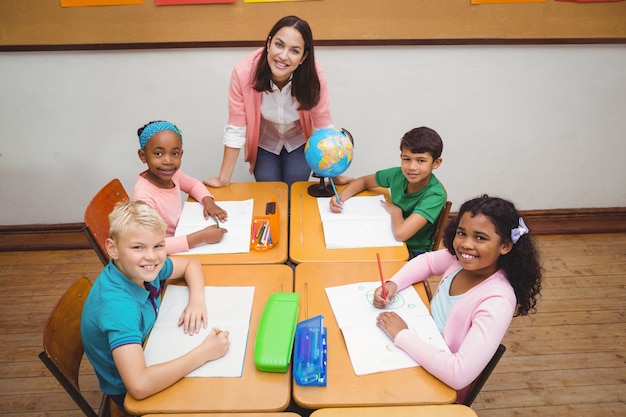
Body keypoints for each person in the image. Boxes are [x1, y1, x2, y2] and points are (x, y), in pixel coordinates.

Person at [373, 195, 542, 404]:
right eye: (462, 233)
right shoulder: (460, 260)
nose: (465, 245)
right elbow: (426, 262)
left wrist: (401, 334)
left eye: (480, 238)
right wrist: (394, 283)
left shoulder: (497, 301)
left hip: (438, 388)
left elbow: (458, 374)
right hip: (418, 347)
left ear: (505, 246)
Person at [81, 200, 231, 409]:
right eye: (137, 247)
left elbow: (191, 264)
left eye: (159, 245)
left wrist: (196, 301)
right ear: (112, 249)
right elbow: (139, 385)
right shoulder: (118, 307)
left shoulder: (142, 267)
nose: (151, 256)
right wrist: (204, 353)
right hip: (129, 392)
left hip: (152, 344)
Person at [203, 15, 351, 188]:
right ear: (268, 43)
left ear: (303, 57)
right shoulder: (243, 72)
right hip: (265, 140)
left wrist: (335, 174)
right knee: (269, 187)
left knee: (295, 183)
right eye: (279, 45)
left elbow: (323, 126)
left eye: (294, 51)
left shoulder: (314, 76)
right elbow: (236, 128)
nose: (283, 56)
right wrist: (223, 179)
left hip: (298, 139)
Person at [329, 126, 446, 258]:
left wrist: (396, 211)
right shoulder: (398, 174)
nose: (412, 167)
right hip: (389, 234)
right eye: (407, 159)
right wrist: (341, 197)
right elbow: (363, 181)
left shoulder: (435, 195)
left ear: (436, 163)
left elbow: (401, 234)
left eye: (421, 161)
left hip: (413, 251)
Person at [132, 120, 227, 255]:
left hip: (181, 234)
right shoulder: (143, 197)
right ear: (143, 156)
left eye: (174, 153)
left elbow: (193, 185)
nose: (168, 161)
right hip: (163, 255)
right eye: (158, 154)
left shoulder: (173, 174)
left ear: (181, 154)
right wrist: (202, 237)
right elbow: (152, 246)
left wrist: (208, 202)